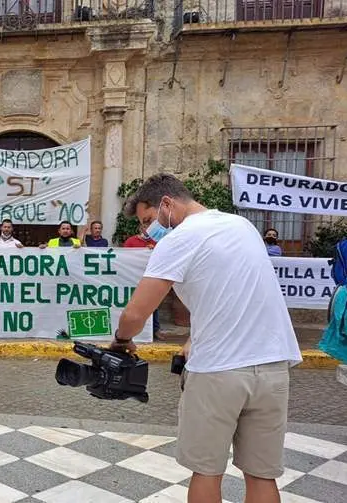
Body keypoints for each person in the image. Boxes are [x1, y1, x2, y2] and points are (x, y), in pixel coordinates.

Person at [111, 174, 302, 503]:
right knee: (261, 476)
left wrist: (121, 340)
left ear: (167, 204)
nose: (147, 230)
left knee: (206, 472)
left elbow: (135, 314)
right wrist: (193, 337)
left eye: (147, 219)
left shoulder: (179, 239)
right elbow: (229, 296)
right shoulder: (241, 226)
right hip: (273, 366)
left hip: (218, 372)